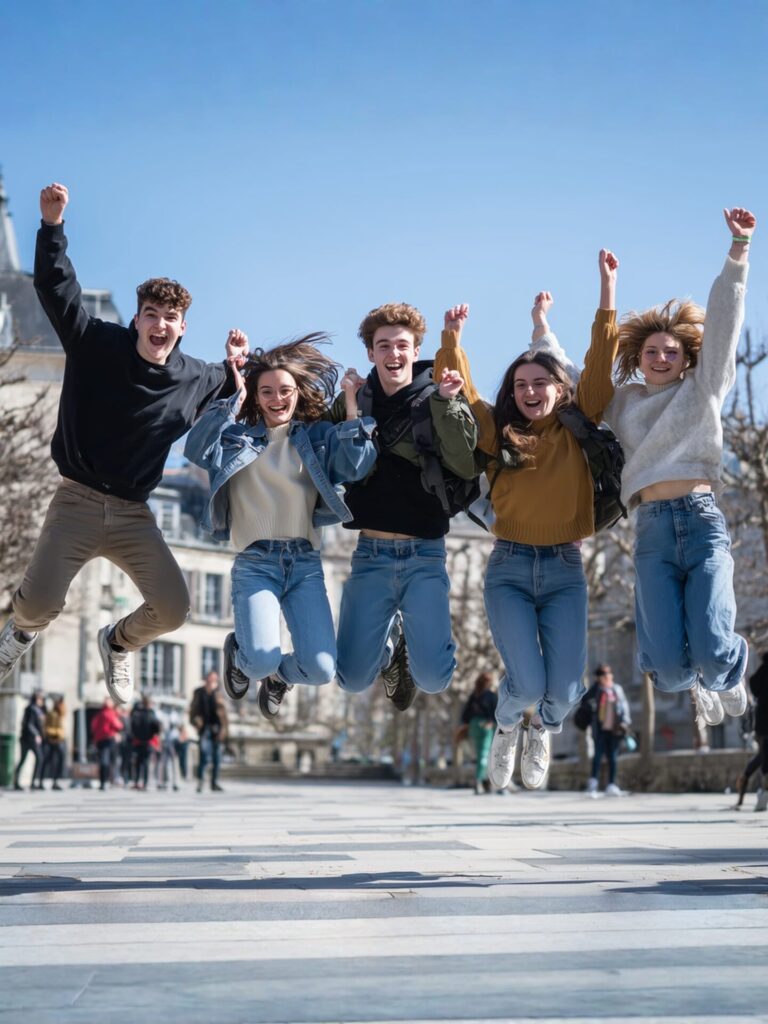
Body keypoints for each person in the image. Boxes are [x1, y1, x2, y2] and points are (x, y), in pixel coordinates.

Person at [0, 182, 248, 707]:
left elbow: (253, 385)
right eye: (151, 314)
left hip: (135, 513)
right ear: (137, 319)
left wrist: (239, 363)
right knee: (38, 605)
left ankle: (117, 642)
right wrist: (51, 227)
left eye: (170, 318)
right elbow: (56, 288)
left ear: (182, 328)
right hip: (77, 501)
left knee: (174, 608)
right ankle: (19, 634)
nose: (160, 325)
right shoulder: (96, 343)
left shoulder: (197, 377)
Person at [538, 210, 756, 726]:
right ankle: (698, 681)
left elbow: (724, 326)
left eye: (671, 352)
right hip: (652, 530)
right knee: (667, 670)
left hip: (702, 521)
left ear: (686, 359)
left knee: (713, 648)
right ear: (639, 358)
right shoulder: (623, 403)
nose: (661, 358)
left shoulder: (704, 388)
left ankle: (725, 673)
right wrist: (542, 331)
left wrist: (738, 251)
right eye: (652, 351)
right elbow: (574, 377)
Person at [435, 251, 619, 791]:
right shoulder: (499, 435)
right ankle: (508, 723)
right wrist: (452, 340)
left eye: (540, 382)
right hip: (510, 569)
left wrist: (607, 289)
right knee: (527, 682)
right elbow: (466, 395)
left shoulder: (577, 425)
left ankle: (543, 728)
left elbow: (601, 362)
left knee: (564, 691)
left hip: (565, 569)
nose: (530, 391)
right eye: (520, 384)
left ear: (560, 388)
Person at [184, 337, 376, 718]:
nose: (277, 399)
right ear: (256, 397)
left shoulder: (315, 438)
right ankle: (241, 657)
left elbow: (355, 465)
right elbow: (196, 448)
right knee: (258, 660)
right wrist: (233, 395)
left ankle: (280, 678)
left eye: (285, 390)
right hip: (255, 564)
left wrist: (352, 404)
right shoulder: (236, 439)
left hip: (305, 565)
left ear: (297, 392)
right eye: (266, 391)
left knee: (321, 669)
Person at [329, 303, 477, 711]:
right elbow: (330, 457)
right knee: (351, 679)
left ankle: (416, 644)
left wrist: (448, 403)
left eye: (401, 345)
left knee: (434, 680)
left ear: (415, 351)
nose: (393, 354)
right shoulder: (357, 397)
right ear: (370, 353)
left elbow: (465, 463)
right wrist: (351, 406)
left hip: (424, 555)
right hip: (370, 555)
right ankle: (392, 646)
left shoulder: (439, 394)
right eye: (383, 346)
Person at [578, 665, 631, 796]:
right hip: (599, 729)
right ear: (599, 678)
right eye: (603, 675)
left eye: (609, 674)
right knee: (597, 756)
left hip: (614, 729)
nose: (607, 676)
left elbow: (624, 706)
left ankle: (611, 785)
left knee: (613, 757)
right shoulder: (596, 690)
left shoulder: (617, 689)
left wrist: (625, 721)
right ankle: (593, 785)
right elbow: (584, 701)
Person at [735, 652, 768, 812]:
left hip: (762, 724)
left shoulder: (761, 673)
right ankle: (761, 792)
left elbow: (754, 687)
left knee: (763, 756)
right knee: (764, 757)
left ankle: (745, 778)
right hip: (764, 725)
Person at [459, 672, 499, 794]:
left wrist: (466, 724)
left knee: (481, 754)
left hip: (473, 726)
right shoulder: (491, 695)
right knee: (484, 754)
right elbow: (495, 712)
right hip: (486, 725)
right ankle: (479, 781)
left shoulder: (474, 695)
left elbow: (465, 714)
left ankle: (485, 781)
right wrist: (491, 721)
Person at [189, 671, 229, 792]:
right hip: (204, 728)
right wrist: (196, 723)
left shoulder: (219, 693)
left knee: (217, 757)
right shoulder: (199, 692)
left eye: (214, 680)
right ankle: (200, 782)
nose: (211, 681)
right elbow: (193, 711)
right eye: (210, 679)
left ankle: (214, 783)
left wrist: (225, 730)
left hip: (217, 728)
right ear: (206, 679)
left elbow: (224, 713)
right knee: (203, 756)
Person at [13, 690, 45, 791]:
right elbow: (29, 724)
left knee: (24, 760)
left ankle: (20, 782)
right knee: (39, 758)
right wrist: (36, 735)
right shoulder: (32, 709)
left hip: (26, 738)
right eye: (40, 699)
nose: (42, 701)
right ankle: (30, 783)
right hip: (29, 739)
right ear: (37, 699)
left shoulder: (34, 709)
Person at [91, 697, 125, 790]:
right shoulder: (111, 713)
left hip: (99, 739)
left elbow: (93, 726)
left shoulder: (99, 714)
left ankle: (103, 782)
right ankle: (108, 781)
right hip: (109, 739)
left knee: (103, 760)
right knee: (110, 761)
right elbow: (118, 725)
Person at [129, 695, 160, 790]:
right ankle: (145, 783)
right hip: (148, 741)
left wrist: (136, 735)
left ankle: (137, 782)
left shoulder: (137, 713)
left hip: (138, 741)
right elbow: (156, 727)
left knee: (138, 762)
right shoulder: (152, 714)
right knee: (145, 762)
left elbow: (132, 726)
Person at [39, 695, 66, 790]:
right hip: (50, 740)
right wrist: (58, 732)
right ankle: (41, 781)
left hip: (59, 741)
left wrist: (60, 733)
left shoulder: (61, 714)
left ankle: (55, 781)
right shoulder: (52, 714)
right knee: (47, 761)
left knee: (59, 760)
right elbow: (46, 728)